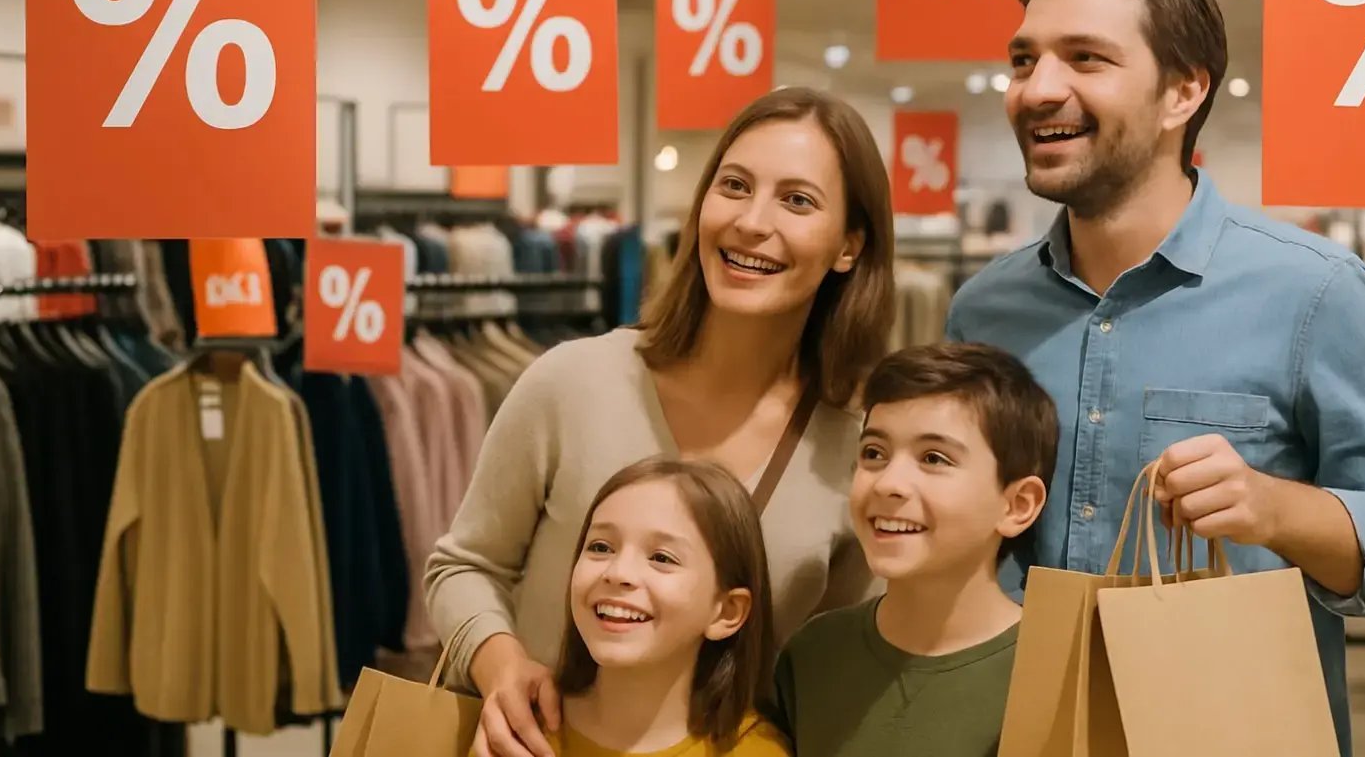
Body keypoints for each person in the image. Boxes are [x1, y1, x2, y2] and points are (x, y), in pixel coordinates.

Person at [945, 0, 1365, 755]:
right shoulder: (983, 311)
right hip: (1020, 728)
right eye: (1024, 60)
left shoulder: (1313, 292)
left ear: (1183, 91)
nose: (1037, 89)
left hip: (1228, 730)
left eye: (1085, 57)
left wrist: (1277, 509)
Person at [426, 86, 896, 757]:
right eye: (734, 185)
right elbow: (463, 563)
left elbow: (832, 662)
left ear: (849, 246)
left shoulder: (850, 451)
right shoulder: (575, 381)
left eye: (796, 200)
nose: (751, 221)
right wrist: (499, 664)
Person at [770, 343, 1056, 756]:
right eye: (874, 453)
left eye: (934, 458)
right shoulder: (813, 656)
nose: (888, 483)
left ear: (1017, 505)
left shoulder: (1055, 671)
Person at [546, 456, 788, 756]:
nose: (618, 573)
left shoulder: (754, 751)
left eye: (661, 558)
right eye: (600, 547)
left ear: (727, 611)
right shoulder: (513, 726)